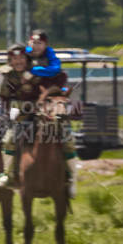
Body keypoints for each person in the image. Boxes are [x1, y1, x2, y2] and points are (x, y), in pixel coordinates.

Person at [26, 29, 78, 198]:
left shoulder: (54, 64)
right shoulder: (22, 58)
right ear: (29, 43)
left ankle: (72, 179)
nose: (36, 46)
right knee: (11, 137)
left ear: (45, 44)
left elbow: (59, 81)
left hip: (51, 108)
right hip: (27, 107)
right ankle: (9, 174)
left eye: (39, 43)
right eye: (33, 42)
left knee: (67, 139)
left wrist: (33, 71)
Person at [0, 45, 37, 189]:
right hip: (16, 115)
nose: (18, 61)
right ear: (10, 61)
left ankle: (67, 174)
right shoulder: (7, 75)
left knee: (60, 135)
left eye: (21, 58)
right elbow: (4, 98)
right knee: (9, 140)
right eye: (14, 58)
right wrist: (12, 111)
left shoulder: (36, 72)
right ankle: (8, 174)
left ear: (27, 59)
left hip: (38, 112)